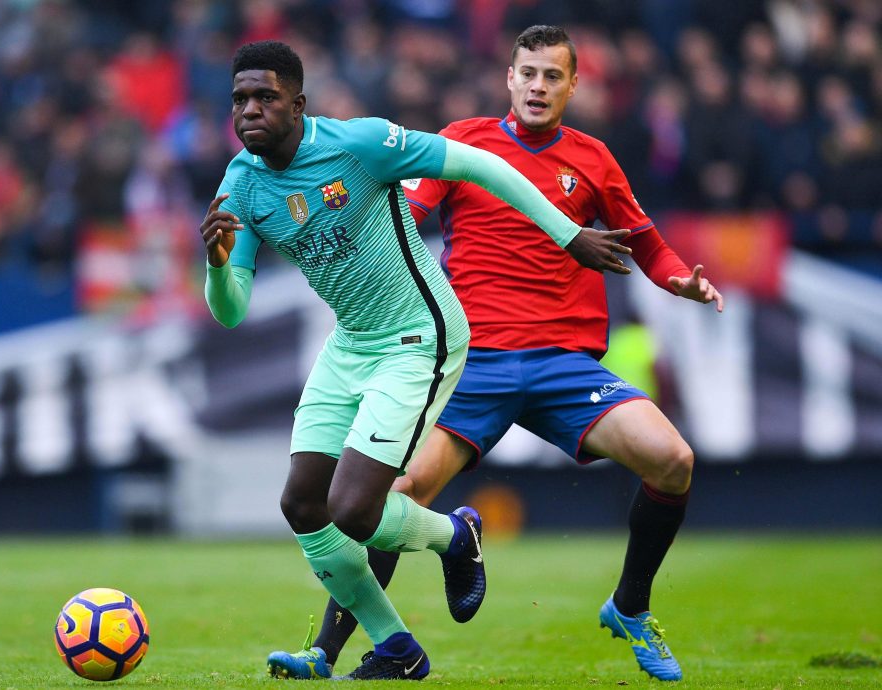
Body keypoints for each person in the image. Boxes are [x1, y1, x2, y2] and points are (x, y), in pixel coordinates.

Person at [266, 25, 724, 683]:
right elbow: (410, 208)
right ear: (508, 78)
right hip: (471, 362)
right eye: (528, 73)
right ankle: (329, 652)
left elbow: (645, 242)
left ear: (572, 84)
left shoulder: (593, 159)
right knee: (391, 495)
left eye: (552, 76)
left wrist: (678, 277)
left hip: (562, 364)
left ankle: (630, 605)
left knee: (673, 461)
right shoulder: (463, 141)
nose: (538, 86)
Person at [201, 40, 634, 682]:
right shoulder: (241, 183)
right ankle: (397, 648)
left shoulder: (361, 143)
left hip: (418, 334)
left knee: (353, 509)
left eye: (265, 97)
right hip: (350, 342)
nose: (249, 111)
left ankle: (457, 537)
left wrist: (567, 234)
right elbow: (231, 310)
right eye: (239, 99)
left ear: (298, 104)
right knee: (302, 504)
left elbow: (480, 165)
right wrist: (216, 265)